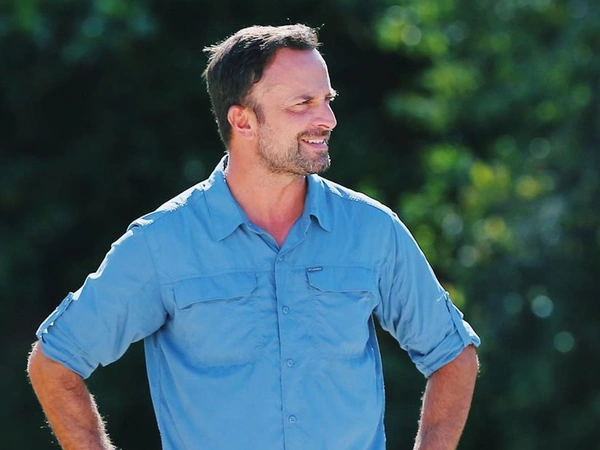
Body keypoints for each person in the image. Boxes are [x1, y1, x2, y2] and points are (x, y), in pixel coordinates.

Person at [27, 24, 480, 450]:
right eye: (302, 104)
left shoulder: (373, 230)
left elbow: (453, 356)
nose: (327, 119)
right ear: (243, 121)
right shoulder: (161, 243)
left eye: (327, 100)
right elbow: (54, 363)